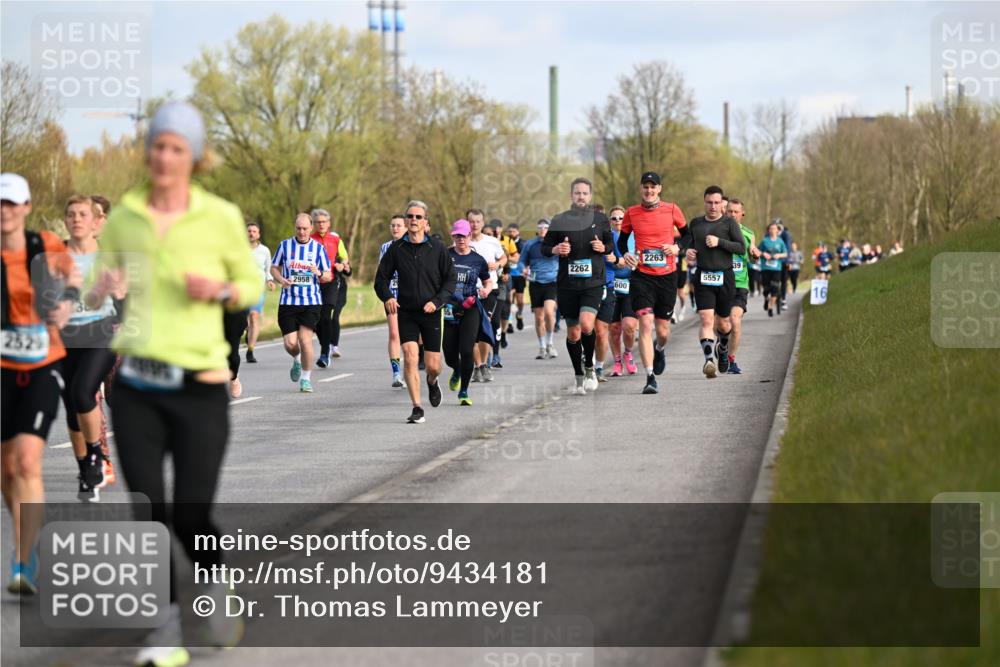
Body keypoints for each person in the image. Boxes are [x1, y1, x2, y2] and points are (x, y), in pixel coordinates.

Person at [89, 102, 261, 664]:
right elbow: (95, 289)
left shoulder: (219, 216)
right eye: (157, 145)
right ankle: (164, 630)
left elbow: (249, 284)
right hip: (135, 383)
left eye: (176, 148)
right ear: (148, 151)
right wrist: (103, 284)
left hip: (200, 384)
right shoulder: (126, 216)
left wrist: (217, 288)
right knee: (148, 509)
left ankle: (214, 582)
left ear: (194, 158)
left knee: (189, 513)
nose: (164, 156)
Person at [2, 172, 80, 594]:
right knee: (6, 467)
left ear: (26, 208)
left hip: (43, 360)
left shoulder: (45, 245)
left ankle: (24, 558)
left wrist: (67, 304)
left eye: (12, 204)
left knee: (28, 460)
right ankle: (23, 541)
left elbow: (73, 279)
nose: (5, 212)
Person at [59, 195, 120, 502]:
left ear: (96, 221)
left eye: (83, 214)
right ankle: (86, 469)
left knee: (84, 392)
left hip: (102, 332)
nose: (77, 219)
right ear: (66, 220)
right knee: (72, 405)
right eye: (71, 214)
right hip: (66, 337)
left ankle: (96, 454)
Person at [374, 200, 456, 423]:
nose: (413, 220)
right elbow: (381, 279)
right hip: (406, 311)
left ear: (426, 223)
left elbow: (451, 279)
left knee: (433, 366)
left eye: (418, 217)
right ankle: (417, 407)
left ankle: (432, 381)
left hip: (431, 312)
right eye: (410, 216)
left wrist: (438, 301)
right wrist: (388, 297)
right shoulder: (397, 249)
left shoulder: (437, 249)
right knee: (410, 357)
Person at [616, 171, 689, 394]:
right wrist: (626, 254)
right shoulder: (631, 213)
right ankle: (649, 376)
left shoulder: (673, 209)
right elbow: (621, 241)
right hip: (642, 277)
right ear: (641, 189)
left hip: (667, 277)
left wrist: (678, 248)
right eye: (645, 187)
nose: (649, 191)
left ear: (659, 189)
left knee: (663, 330)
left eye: (653, 187)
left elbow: (688, 236)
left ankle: (660, 348)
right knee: (645, 325)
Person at [543, 177, 614, 395]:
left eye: (584, 193)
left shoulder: (601, 219)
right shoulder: (560, 219)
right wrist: (557, 250)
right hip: (567, 285)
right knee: (573, 334)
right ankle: (578, 375)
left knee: (586, 325)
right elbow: (545, 248)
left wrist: (603, 246)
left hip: (593, 282)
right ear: (571, 195)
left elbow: (611, 245)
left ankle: (591, 367)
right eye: (577, 193)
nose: (581, 196)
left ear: (590, 196)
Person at [684, 185, 746, 378]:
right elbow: (688, 244)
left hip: (725, 277)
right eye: (709, 202)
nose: (713, 206)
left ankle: (723, 348)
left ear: (722, 204)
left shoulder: (729, 224)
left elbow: (741, 248)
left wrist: (720, 242)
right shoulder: (695, 223)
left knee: (724, 324)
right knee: (706, 319)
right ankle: (709, 360)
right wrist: (688, 252)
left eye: (717, 203)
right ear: (704, 202)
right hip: (703, 276)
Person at [270, 213, 332, 393]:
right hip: (288, 301)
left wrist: (318, 273)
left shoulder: (318, 249)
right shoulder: (285, 245)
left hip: (311, 301)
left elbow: (328, 275)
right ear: (295, 228)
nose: (302, 232)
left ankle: (306, 378)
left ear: (311, 228)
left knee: (305, 340)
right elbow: (274, 267)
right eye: (299, 228)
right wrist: (281, 279)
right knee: (290, 343)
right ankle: (296, 358)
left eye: (305, 229)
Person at [443, 219, 492, 405]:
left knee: (466, 350)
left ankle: (464, 391)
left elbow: (487, 280)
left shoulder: (477, 259)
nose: (460, 239)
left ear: (469, 236)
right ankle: (456, 369)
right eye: (457, 236)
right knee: (448, 354)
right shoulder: (445, 256)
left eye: (463, 236)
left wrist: (486, 290)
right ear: (452, 236)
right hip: (448, 309)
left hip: (470, 307)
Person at [467, 209, 506, 382]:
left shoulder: (492, 241)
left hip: (489, 289)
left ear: (483, 223)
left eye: (477, 221)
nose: (474, 225)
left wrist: (497, 264)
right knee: (472, 329)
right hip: (468, 291)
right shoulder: (462, 241)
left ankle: (484, 363)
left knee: (485, 325)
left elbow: (504, 258)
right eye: (471, 221)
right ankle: (478, 366)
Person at [310, 209, 350, 367]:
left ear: (329, 223)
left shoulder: (335, 238)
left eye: (324, 222)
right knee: (316, 321)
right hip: (313, 283)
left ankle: (325, 353)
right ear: (313, 224)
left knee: (326, 317)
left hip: (331, 282)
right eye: (318, 222)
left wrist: (342, 264)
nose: (321, 224)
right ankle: (325, 346)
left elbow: (344, 257)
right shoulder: (309, 239)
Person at [518, 218, 559, 360]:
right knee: (539, 317)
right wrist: (523, 269)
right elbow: (521, 261)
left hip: (552, 282)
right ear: (537, 229)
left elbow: (564, 259)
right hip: (535, 283)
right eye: (540, 227)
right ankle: (542, 347)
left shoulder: (555, 245)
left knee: (549, 312)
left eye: (545, 227)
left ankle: (550, 343)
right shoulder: (530, 244)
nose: (543, 230)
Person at [724, 197, 754, 375]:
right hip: (721, 283)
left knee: (735, 321)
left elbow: (752, 252)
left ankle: (731, 360)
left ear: (742, 214)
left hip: (740, 285)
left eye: (736, 212)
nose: (733, 214)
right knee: (721, 325)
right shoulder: (718, 231)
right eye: (730, 211)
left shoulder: (749, 234)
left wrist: (755, 253)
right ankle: (721, 347)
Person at [608, 206, 638, 377]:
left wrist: (623, 261)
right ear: (610, 221)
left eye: (621, 218)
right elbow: (606, 259)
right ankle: (617, 361)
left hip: (630, 285)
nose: (618, 221)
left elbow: (638, 257)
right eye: (614, 218)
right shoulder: (607, 238)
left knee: (629, 326)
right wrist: (617, 261)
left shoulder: (634, 236)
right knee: (614, 328)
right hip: (612, 285)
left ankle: (627, 352)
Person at [380, 214, 407, 387]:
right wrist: (386, 295)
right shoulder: (385, 247)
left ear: (405, 228)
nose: (395, 228)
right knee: (394, 334)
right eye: (393, 225)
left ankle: (415, 364)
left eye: (399, 225)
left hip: (412, 297)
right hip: (392, 297)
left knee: (411, 338)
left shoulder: (412, 246)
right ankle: (396, 374)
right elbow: (382, 275)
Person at [245, 222, 274, 364]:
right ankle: (246, 330)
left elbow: (268, 269)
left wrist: (270, 280)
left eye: (254, 231)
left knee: (254, 316)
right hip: (241, 289)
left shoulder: (265, 251)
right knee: (243, 319)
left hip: (257, 289)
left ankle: (250, 350)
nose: (251, 233)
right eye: (249, 231)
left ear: (258, 234)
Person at [757, 221, 788, 317]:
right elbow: (757, 251)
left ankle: (770, 307)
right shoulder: (765, 241)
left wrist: (779, 255)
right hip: (765, 268)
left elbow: (785, 253)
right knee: (766, 289)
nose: (772, 230)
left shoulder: (780, 242)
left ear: (777, 230)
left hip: (776, 269)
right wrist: (763, 254)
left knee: (775, 288)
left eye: (774, 228)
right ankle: (766, 298)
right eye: (771, 228)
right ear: (768, 230)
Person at [506, 223, 526, 331]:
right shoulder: (505, 242)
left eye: (513, 231)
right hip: (508, 274)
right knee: (509, 299)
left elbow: (525, 258)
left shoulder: (523, 244)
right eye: (509, 231)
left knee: (520, 301)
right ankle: (509, 323)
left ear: (518, 232)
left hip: (519, 275)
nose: (511, 233)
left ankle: (519, 315)